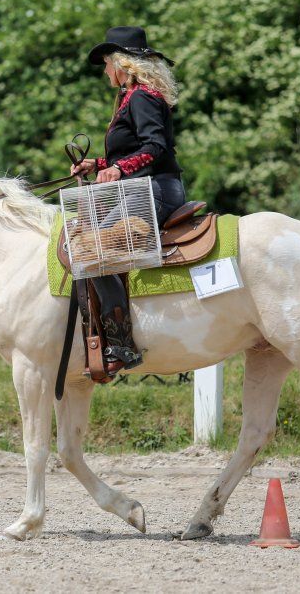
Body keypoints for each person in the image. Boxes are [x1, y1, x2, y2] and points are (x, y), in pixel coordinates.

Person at [70, 26, 187, 372]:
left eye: (107, 63)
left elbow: (155, 147)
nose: (105, 71)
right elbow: (136, 150)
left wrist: (118, 171)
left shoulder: (141, 97)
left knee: (94, 252)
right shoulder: (134, 96)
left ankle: (121, 345)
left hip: (155, 190)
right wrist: (100, 165)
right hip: (144, 187)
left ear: (121, 64)